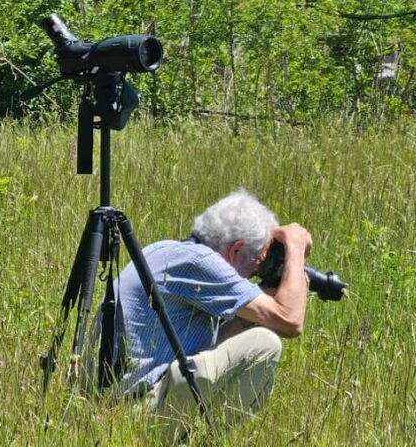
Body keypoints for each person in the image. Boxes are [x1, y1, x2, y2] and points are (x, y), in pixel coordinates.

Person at [101, 188, 312, 439]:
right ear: (236, 250)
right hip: (136, 413)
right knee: (265, 344)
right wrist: (296, 248)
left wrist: (250, 315)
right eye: (257, 265)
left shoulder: (164, 249)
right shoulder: (202, 263)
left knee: (248, 332)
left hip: (112, 410)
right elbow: (290, 321)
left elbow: (209, 347)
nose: (253, 276)